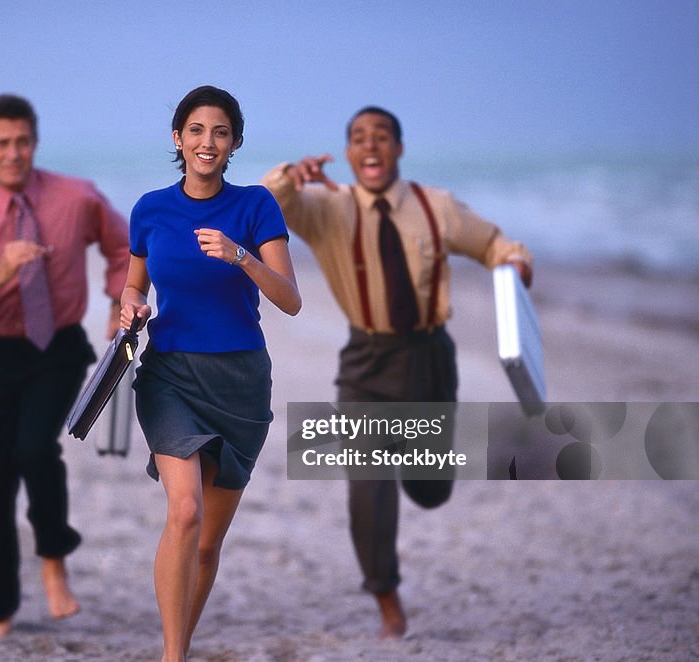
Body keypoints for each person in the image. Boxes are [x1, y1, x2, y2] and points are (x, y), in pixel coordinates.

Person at [261, 106, 533, 639]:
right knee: (369, 484)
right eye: (359, 138)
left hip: (430, 361)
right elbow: (271, 206)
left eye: (381, 137)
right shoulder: (327, 210)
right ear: (348, 153)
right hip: (366, 364)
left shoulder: (437, 207)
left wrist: (515, 265)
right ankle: (386, 598)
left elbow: (496, 245)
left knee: (431, 490)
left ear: (398, 149)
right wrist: (289, 177)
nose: (371, 146)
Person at [0, 94, 129, 637]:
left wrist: (117, 303)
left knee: (37, 448)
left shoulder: (76, 197)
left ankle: (54, 558)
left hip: (55, 349)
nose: (13, 154)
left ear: (34, 143)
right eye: (1, 144)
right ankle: (2, 606)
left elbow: (124, 244)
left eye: (22, 143)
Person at [120, 85, 301, 662]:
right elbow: (133, 283)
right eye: (196, 131)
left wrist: (240, 256)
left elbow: (291, 300)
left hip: (241, 384)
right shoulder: (150, 209)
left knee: (207, 544)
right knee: (186, 511)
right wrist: (128, 305)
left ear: (234, 143)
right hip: (170, 375)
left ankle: (181, 642)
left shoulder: (255, 207)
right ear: (178, 139)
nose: (207, 142)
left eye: (220, 132)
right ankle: (173, 657)